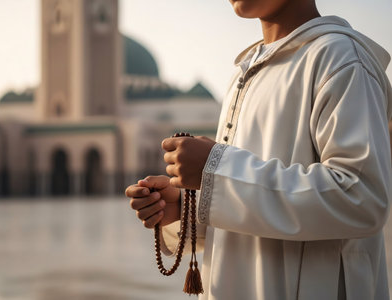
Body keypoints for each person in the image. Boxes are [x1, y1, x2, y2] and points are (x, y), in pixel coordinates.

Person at [125, 0, 392, 299]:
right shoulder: (244, 74)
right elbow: (249, 210)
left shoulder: (340, 59)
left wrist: (215, 168)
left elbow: (361, 198)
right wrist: (186, 208)